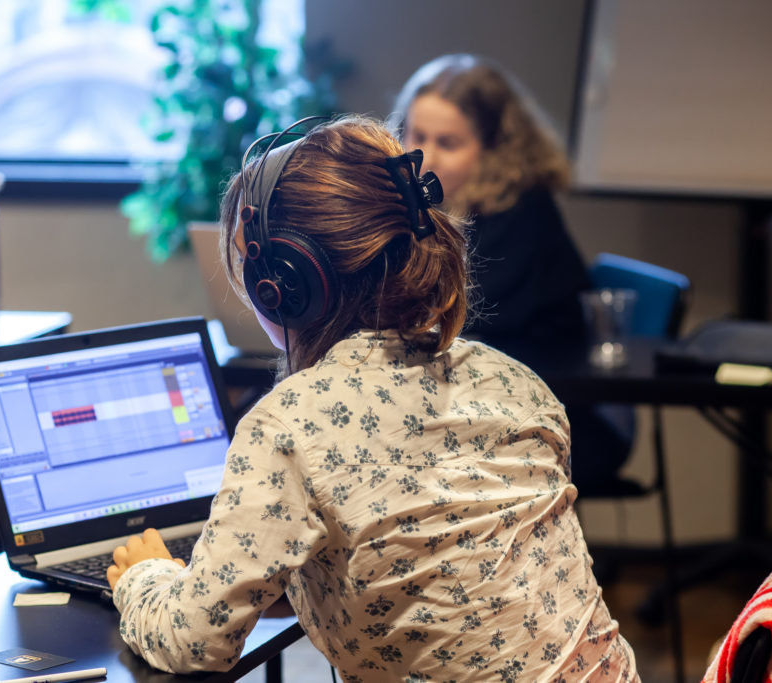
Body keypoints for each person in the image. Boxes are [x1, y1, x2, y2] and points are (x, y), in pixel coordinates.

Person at [106, 115, 638, 681]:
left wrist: (145, 576)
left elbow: (195, 642)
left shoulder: (287, 427)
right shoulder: (516, 383)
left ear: (282, 286)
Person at [391, 53, 633, 490]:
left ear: (494, 150)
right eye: (417, 135)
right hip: (475, 404)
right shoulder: (426, 206)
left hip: (560, 412)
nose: (426, 157)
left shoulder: (523, 211)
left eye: (448, 143)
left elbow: (460, 324)